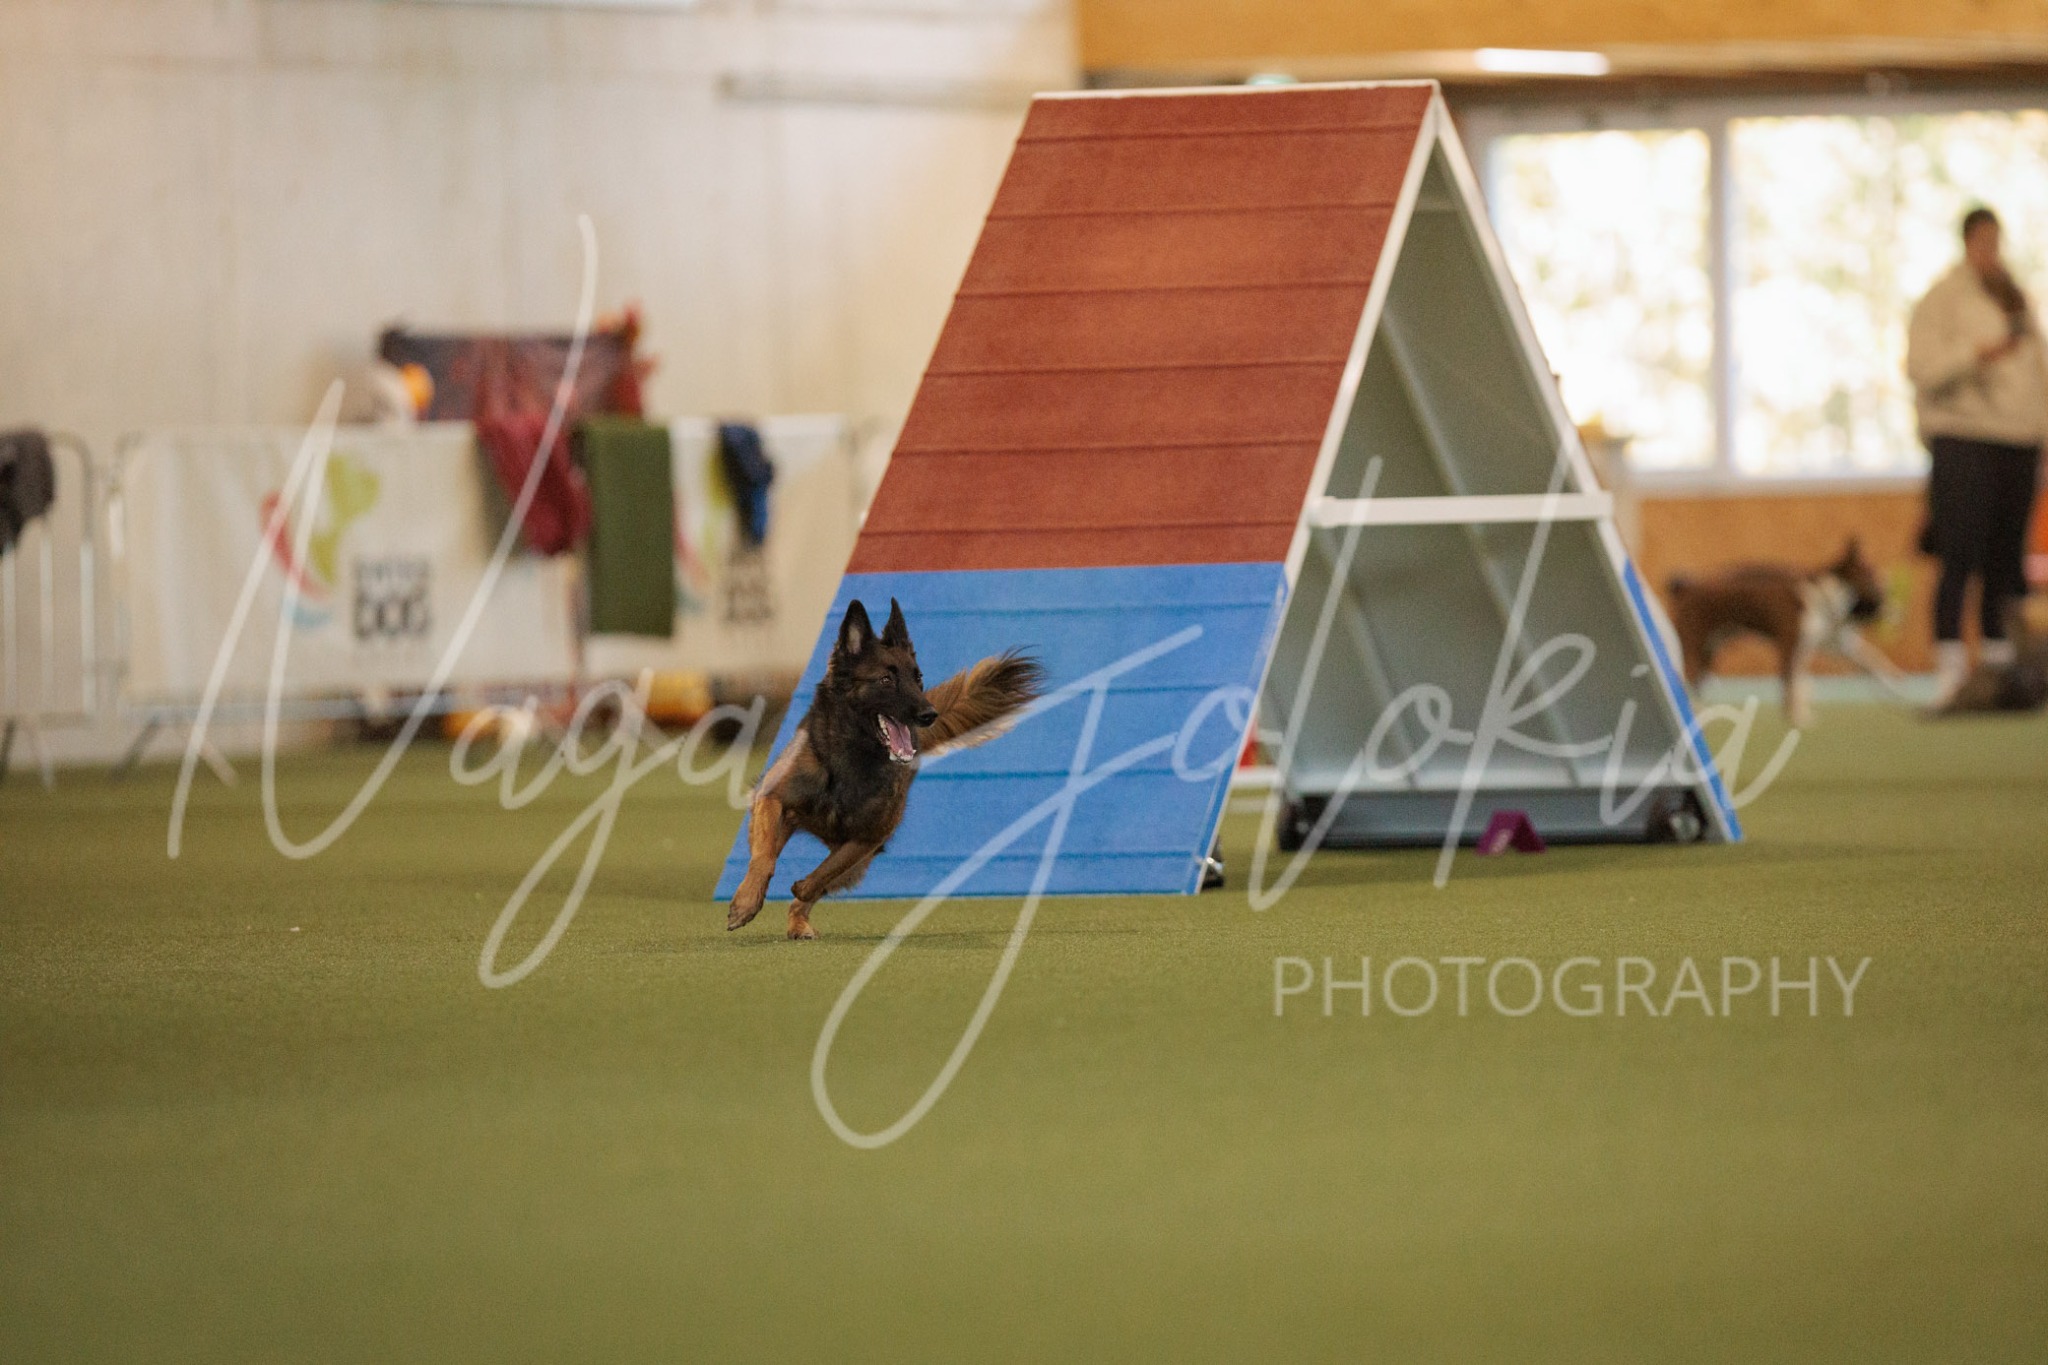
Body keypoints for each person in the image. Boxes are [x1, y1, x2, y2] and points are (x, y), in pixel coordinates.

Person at [1907, 206, 2047, 704]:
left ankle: (2002, 670)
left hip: (2020, 441)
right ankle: (1949, 668)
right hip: (1963, 438)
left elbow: (2039, 371)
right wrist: (1976, 355)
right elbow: (1922, 369)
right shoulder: (1942, 300)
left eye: (1996, 240)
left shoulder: (2016, 299)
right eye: (1983, 240)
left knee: (2007, 560)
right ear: (1967, 242)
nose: (1991, 250)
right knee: (1959, 554)